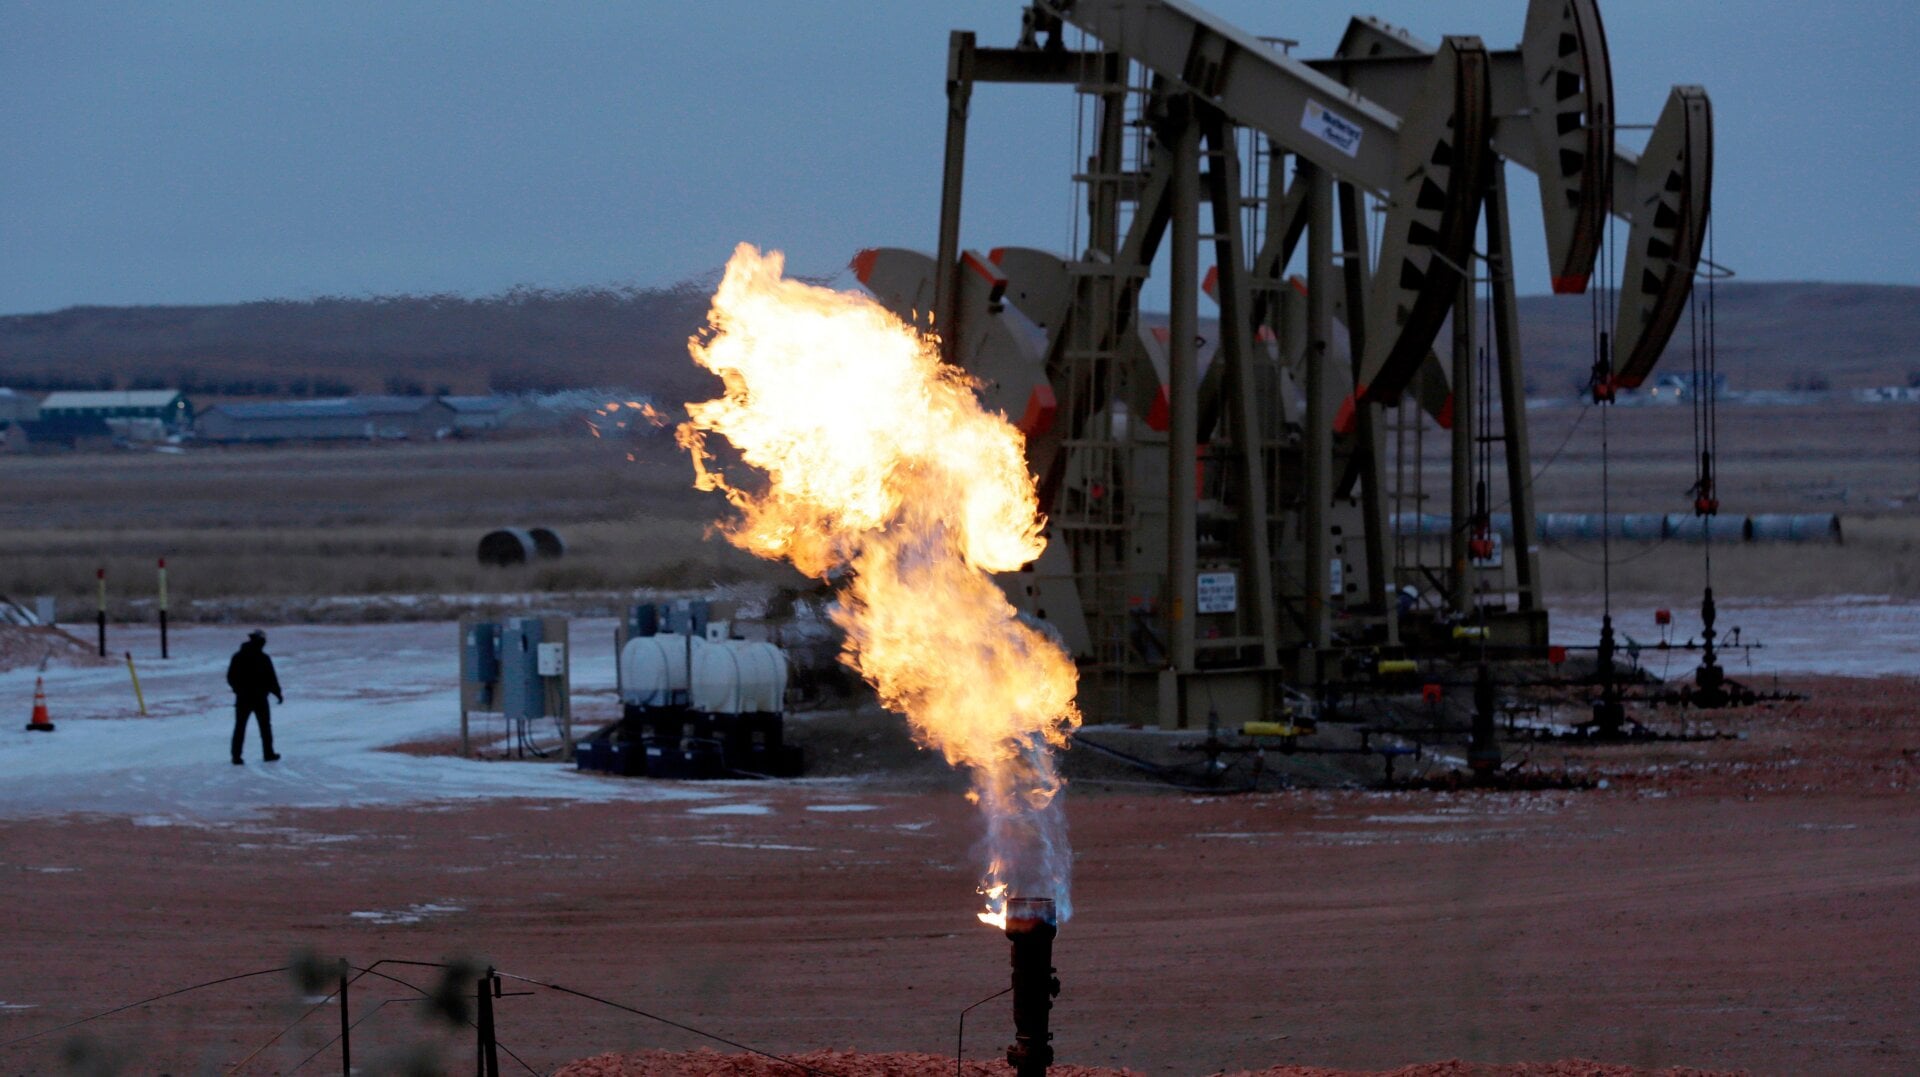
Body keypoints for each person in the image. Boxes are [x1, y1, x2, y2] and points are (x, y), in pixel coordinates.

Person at [227, 629, 283, 764]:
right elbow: (271, 678)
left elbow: (231, 677)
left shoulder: (238, 656)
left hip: (243, 698)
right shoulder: (263, 658)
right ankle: (268, 753)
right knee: (264, 727)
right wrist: (277, 693)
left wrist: (238, 690)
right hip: (259, 698)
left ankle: (236, 756)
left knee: (240, 727)